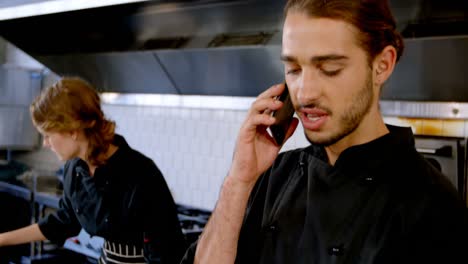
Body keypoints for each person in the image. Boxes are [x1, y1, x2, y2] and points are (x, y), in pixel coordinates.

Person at [182, 0, 468, 263]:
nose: (304, 93)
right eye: (293, 69)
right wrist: (239, 180)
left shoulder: (430, 207)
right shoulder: (277, 173)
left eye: (329, 68)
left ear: (382, 65)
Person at [0, 77, 186, 263]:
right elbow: (64, 221)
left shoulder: (141, 175)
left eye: (48, 135)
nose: (46, 143)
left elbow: (167, 254)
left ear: (73, 129)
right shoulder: (74, 168)